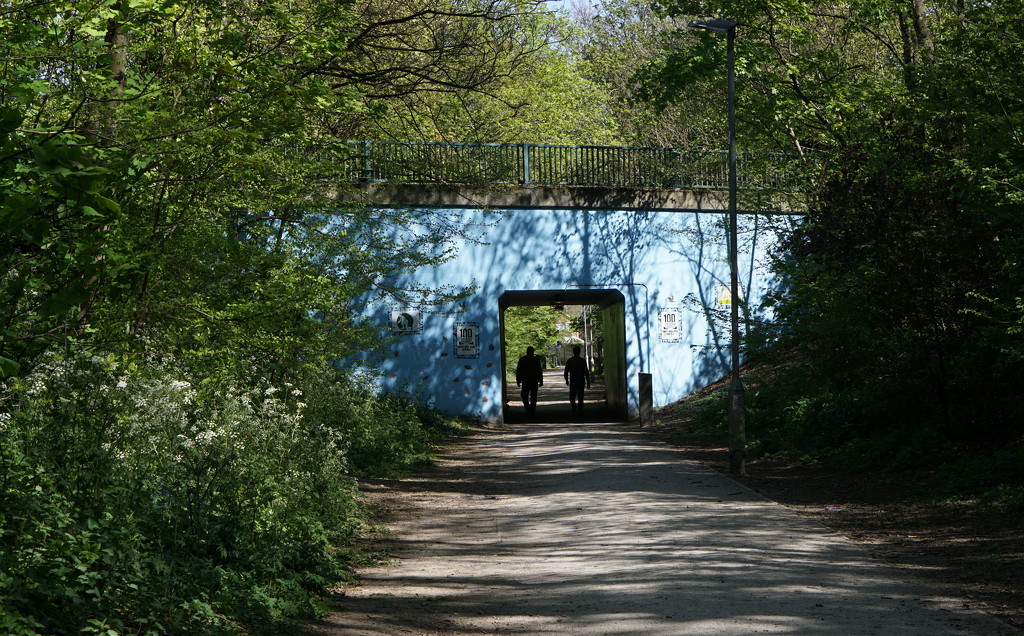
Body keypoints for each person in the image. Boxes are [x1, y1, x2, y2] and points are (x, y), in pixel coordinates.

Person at [515, 346, 544, 416]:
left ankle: (527, 406)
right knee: (534, 396)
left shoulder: (522, 359)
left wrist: (518, 380)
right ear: (533, 352)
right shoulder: (536, 359)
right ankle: (532, 409)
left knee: (524, 395)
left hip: (525, 380)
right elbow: (539, 370)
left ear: (526, 351)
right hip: (534, 380)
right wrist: (541, 380)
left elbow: (519, 370)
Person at [564, 345, 591, 416]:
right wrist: (588, 382)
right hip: (581, 381)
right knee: (580, 396)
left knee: (572, 396)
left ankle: (574, 408)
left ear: (573, 352)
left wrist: (566, 380)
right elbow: (586, 372)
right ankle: (580, 410)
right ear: (579, 352)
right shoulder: (582, 361)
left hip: (573, 381)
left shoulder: (570, 361)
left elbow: (566, 371)